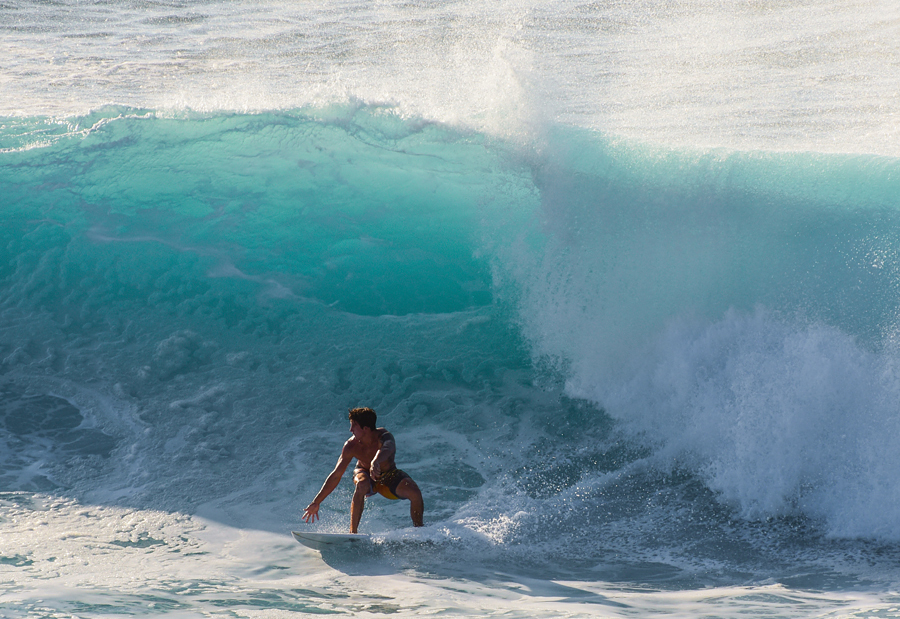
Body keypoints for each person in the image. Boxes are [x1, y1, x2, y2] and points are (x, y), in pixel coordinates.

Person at [302, 407, 424, 533]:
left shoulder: (384, 437)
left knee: (415, 492)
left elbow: (387, 449)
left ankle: (420, 531)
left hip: (388, 475)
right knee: (362, 483)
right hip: (364, 473)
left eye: (354, 426)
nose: (350, 430)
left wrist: (376, 461)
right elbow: (336, 475)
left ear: (366, 428)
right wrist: (316, 502)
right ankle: (353, 533)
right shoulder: (351, 446)